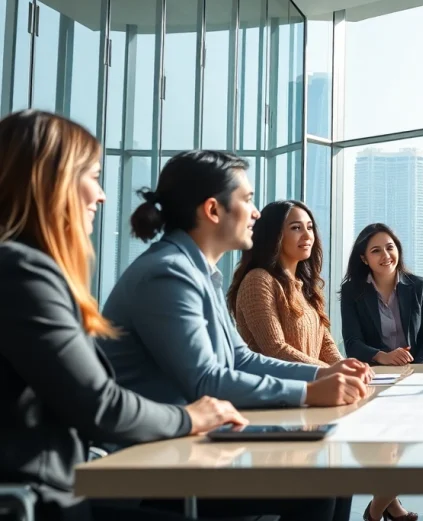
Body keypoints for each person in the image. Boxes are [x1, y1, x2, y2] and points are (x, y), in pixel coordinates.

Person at [0, 110, 247, 521]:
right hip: (40, 501)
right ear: (51, 181)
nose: (102, 195)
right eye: (93, 176)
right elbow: (100, 406)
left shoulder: (24, 269)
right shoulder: (21, 273)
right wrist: (190, 416)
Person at [100, 151, 370, 521]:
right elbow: (205, 380)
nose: (256, 212)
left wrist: (323, 374)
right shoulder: (167, 274)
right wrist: (308, 392)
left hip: (193, 445)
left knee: (334, 475)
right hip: (152, 465)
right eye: (247, 199)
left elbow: (242, 358)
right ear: (213, 210)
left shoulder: (200, 273)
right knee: (318, 486)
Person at [227, 200, 343, 367]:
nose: (307, 235)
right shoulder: (258, 280)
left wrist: (346, 368)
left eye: (309, 227)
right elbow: (275, 349)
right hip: (274, 390)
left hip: (309, 388)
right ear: (274, 235)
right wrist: (331, 371)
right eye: (296, 228)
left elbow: (325, 343)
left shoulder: (304, 286)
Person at [340, 223, 423, 366]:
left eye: (390, 248)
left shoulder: (419, 286)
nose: (386, 255)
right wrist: (382, 356)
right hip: (376, 371)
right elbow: (352, 342)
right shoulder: (351, 290)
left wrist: (418, 369)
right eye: (376, 251)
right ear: (364, 258)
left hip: (418, 368)